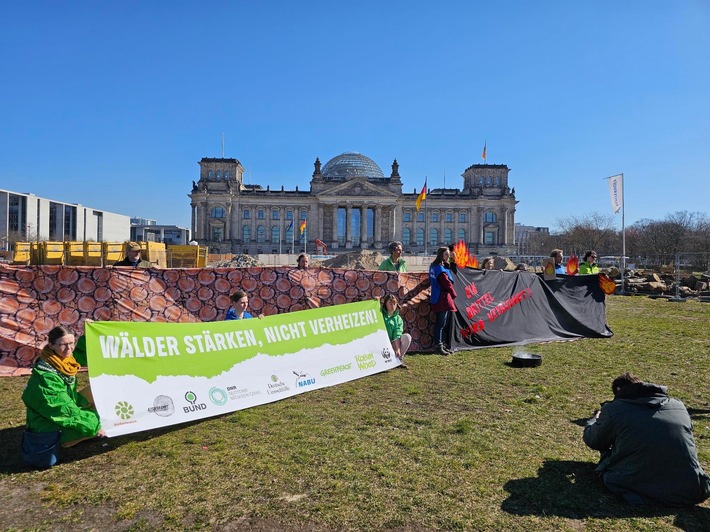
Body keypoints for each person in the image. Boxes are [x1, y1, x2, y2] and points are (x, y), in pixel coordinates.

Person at [583, 372, 710, 507]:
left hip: (638, 485)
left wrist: (594, 420)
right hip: (693, 488)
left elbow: (594, 440)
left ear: (619, 392)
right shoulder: (678, 406)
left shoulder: (615, 410)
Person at [21, 326, 104, 468]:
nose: (69, 349)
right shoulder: (46, 376)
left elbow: (82, 354)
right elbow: (64, 411)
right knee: (101, 421)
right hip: (50, 423)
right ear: (51, 345)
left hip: (67, 405)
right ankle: (69, 439)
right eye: (63, 344)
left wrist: (89, 332)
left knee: (100, 389)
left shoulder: (62, 359)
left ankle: (87, 429)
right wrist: (96, 426)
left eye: (71, 343)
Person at [429, 246, 457, 356]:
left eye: (448, 255)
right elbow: (447, 283)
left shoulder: (433, 266)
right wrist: (454, 294)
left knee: (440, 323)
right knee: (441, 324)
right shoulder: (440, 269)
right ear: (441, 255)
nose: (447, 257)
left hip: (436, 297)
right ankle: (439, 345)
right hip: (442, 298)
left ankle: (441, 344)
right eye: (446, 255)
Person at [380, 294, 412, 369]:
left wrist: (397, 349)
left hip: (392, 343)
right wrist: (376, 301)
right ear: (385, 304)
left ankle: (398, 360)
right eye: (390, 303)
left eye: (394, 303)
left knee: (407, 337)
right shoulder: (380, 314)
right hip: (381, 343)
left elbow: (397, 334)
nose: (392, 305)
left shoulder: (398, 319)